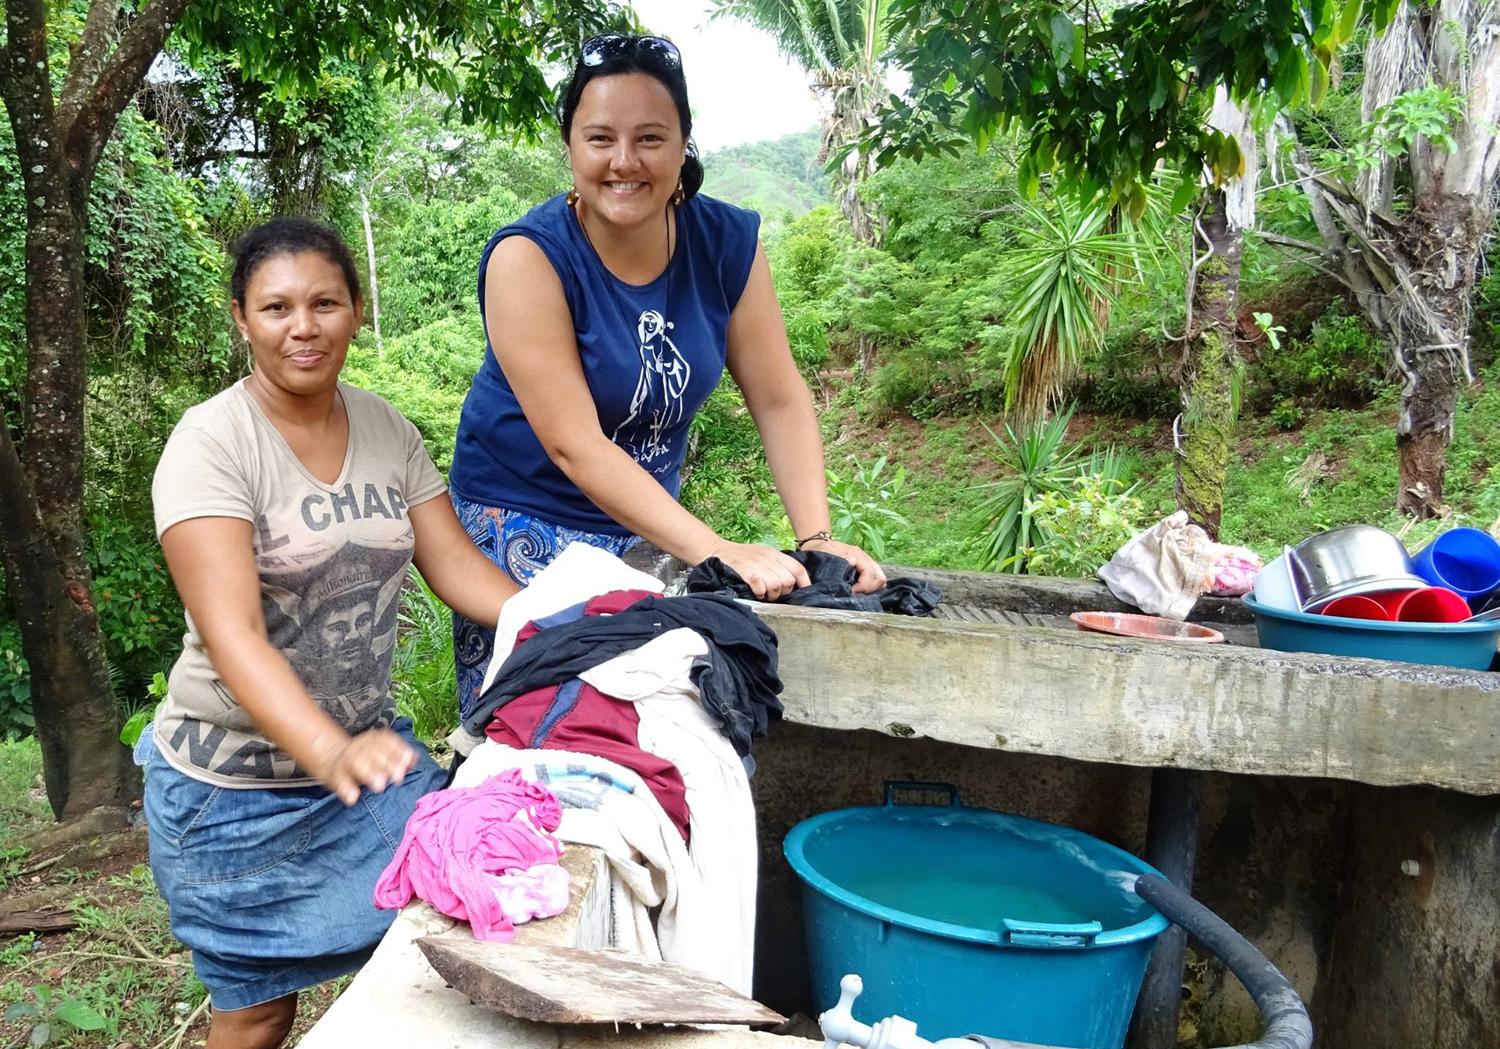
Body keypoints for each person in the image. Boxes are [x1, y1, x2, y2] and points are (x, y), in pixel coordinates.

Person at [142, 217, 519, 1049]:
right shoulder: (210, 443)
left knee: (440, 948)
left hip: (364, 773)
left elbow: (455, 567)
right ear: (241, 318)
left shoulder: (387, 429)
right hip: (230, 797)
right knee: (258, 1013)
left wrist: (565, 611)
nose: (302, 326)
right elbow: (233, 635)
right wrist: (329, 749)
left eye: (324, 302)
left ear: (355, 311)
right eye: (276, 307)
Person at [448, 33, 886, 718]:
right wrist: (716, 549)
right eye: (600, 139)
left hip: (645, 523)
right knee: (552, 722)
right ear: (570, 147)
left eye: (650, 138)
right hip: (522, 518)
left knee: (665, 715)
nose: (624, 162)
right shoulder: (528, 258)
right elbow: (575, 445)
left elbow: (778, 398)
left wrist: (819, 541)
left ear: (684, 145)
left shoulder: (725, 243)